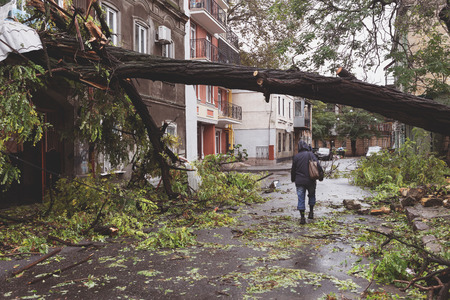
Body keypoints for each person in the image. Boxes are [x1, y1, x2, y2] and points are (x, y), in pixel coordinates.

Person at [291, 140, 323, 224]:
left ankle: (302, 218)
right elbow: (318, 166)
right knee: (312, 195)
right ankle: (311, 212)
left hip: (299, 181)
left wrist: (293, 179)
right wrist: (320, 176)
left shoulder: (296, 157)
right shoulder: (311, 154)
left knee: (301, 198)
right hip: (311, 180)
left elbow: (293, 170)